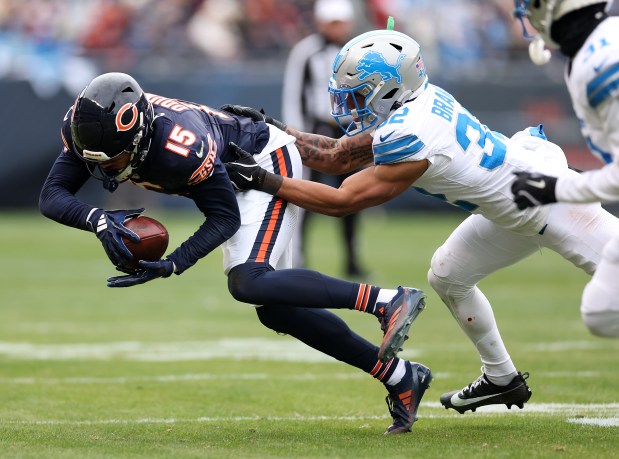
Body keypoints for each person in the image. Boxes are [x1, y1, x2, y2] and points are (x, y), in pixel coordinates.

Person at [222, 28, 619, 414]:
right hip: (510, 208)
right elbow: (337, 157)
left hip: (553, 203)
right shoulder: (414, 103)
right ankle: (502, 378)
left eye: (360, 93)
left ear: (390, 87)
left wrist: (263, 180)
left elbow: (343, 200)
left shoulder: (409, 130)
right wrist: (273, 129)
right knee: (447, 275)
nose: (351, 104)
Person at [38, 72, 431, 435]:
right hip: (229, 177)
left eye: (118, 158)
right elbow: (52, 195)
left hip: (259, 163)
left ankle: (385, 300)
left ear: (139, 134)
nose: (108, 169)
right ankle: (399, 376)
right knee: (276, 307)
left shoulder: (180, 146)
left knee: (249, 281)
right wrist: (98, 220)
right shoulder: (91, 130)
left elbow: (223, 218)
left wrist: (176, 261)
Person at [512, 1, 619, 338]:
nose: (527, 14)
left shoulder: (601, 59)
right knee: (601, 310)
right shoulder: (593, 49)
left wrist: (553, 189)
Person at [282, 0, 367, 276]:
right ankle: (298, 255)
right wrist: (295, 136)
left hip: (349, 130)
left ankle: (352, 257)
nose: (337, 27)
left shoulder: (358, 51)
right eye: (332, 21)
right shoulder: (306, 51)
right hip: (315, 130)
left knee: (354, 195)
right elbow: (294, 94)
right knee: (304, 196)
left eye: (341, 21)